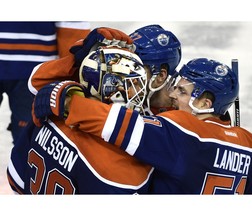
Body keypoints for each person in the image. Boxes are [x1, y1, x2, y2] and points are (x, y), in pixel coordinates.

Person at [33, 57, 252, 194]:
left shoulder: (183, 130)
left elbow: (115, 123)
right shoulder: (251, 145)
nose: (172, 96)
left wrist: (68, 102)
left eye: (182, 91)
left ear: (205, 103)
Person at [7, 44, 153, 194]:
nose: (139, 92)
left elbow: (15, 175)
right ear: (111, 88)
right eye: (133, 84)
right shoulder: (118, 165)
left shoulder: (51, 112)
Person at [0, 21, 90, 144]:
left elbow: (72, 25)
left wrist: (72, 70)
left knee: (29, 136)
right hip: (35, 67)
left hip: (35, 72)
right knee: (28, 135)